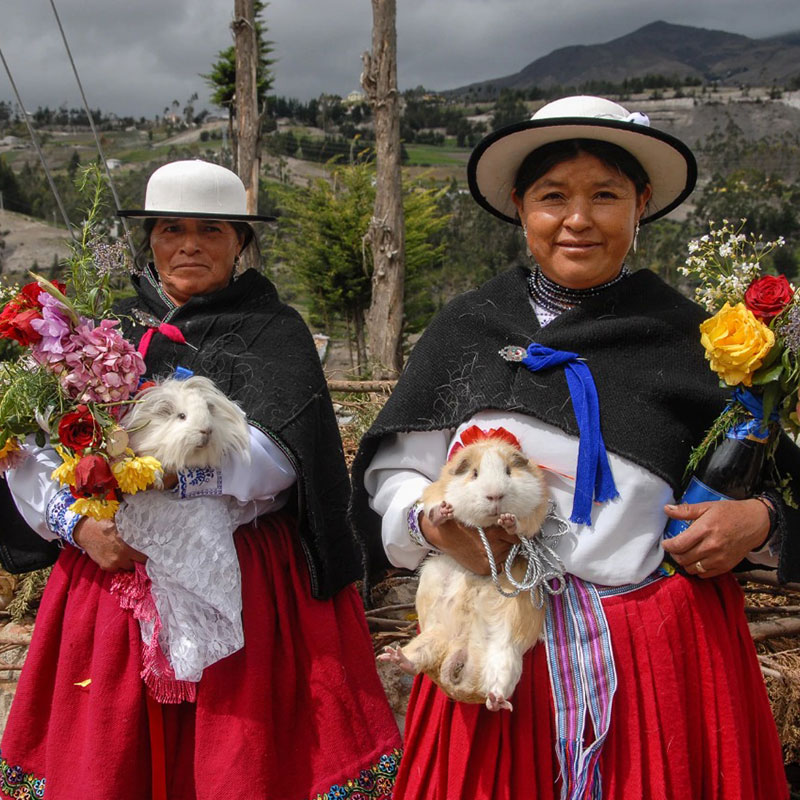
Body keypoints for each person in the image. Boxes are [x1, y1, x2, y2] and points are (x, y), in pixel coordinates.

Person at [350, 96, 798, 799]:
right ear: (519, 206)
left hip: (655, 655)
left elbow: (778, 484)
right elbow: (397, 470)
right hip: (493, 637)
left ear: (641, 203)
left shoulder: (692, 340)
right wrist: (429, 524)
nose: (578, 219)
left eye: (605, 195)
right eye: (553, 196)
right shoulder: (467, 330)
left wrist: (759, 520)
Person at [1, 160, 401, 800]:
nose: (189, 244)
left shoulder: (273, 332)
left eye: (211, 229)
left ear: (240, 242)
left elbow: (278, 457)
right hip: (111, 574)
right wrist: (77, 524)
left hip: (242, 583)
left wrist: (163, 476)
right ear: (150, 239)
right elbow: (30, 447)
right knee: (110, 755)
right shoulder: (97, 331)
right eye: (171, 229)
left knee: (237, 757)